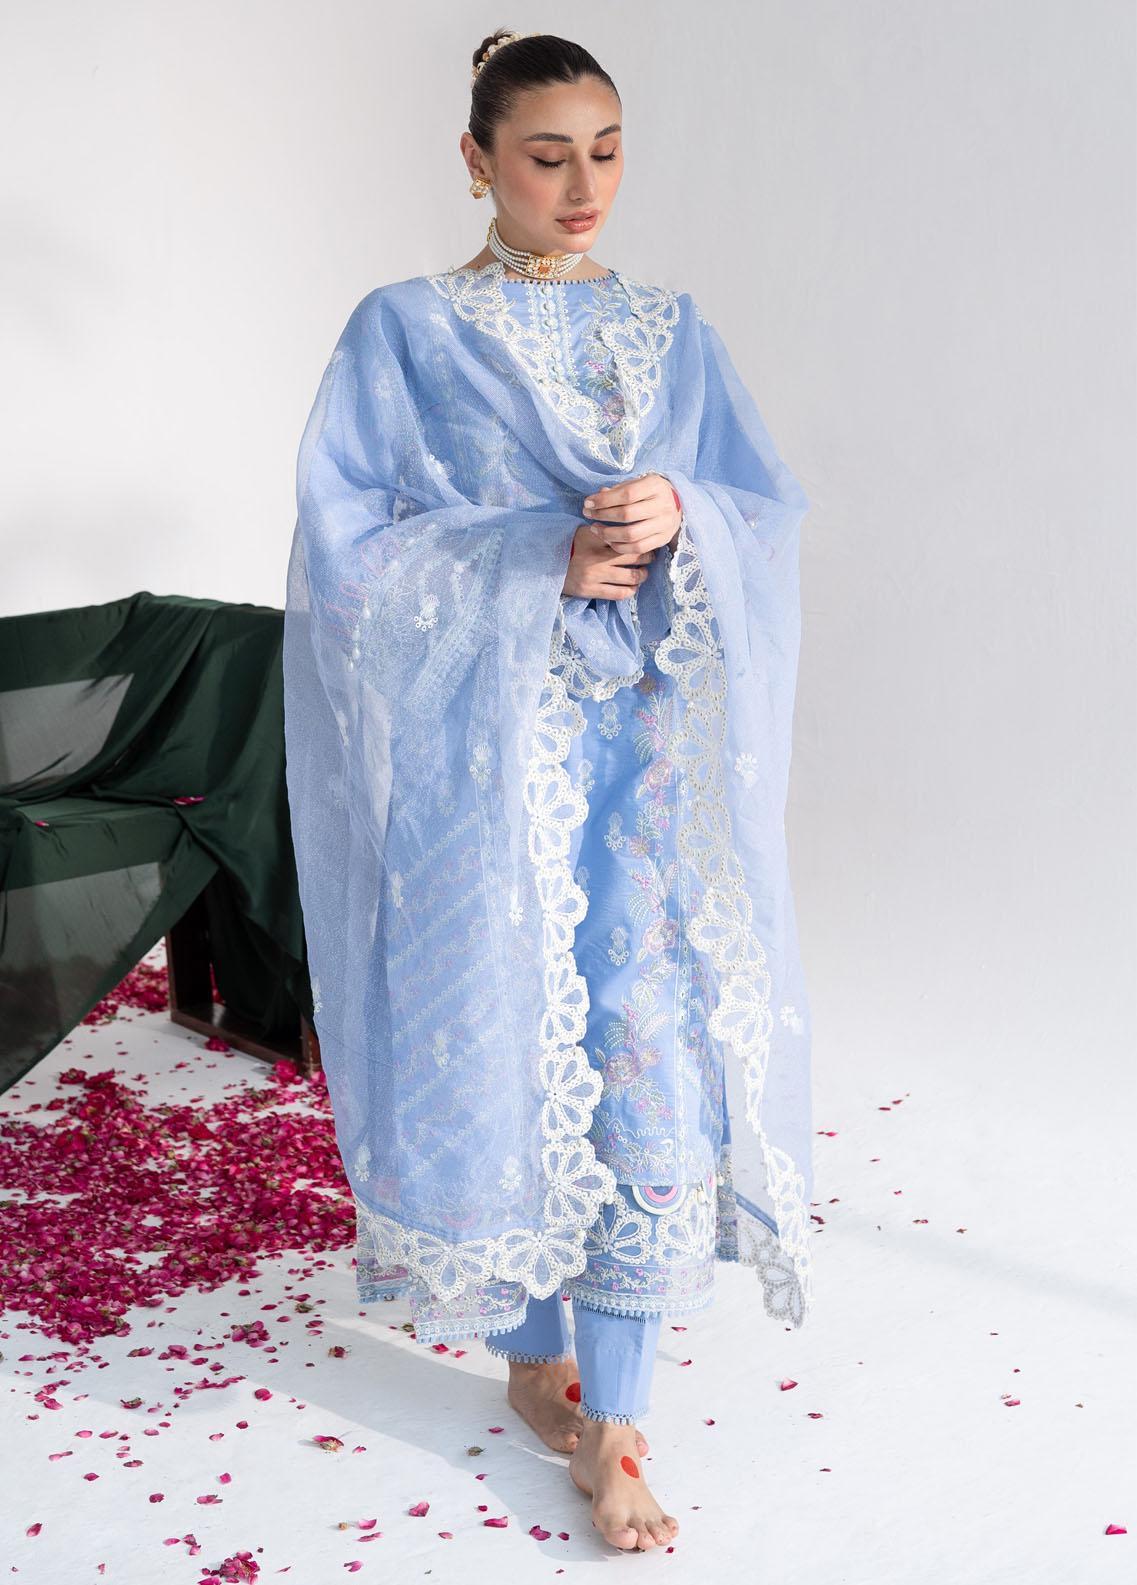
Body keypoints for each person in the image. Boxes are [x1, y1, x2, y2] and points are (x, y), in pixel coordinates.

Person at [283, 26, 814, 1554]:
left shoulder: (670, 328)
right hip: (485, 757)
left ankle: (618, 1419)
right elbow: (343, 555)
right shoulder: (403, 330)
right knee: (505, 1031)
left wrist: (680, 509)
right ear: (475, 160)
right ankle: (533, 1356)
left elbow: (763, 511)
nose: (583, 187)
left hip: (640, 762)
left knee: (641, 1046)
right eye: (544, 155)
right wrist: (538, 557)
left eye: (606, 150)